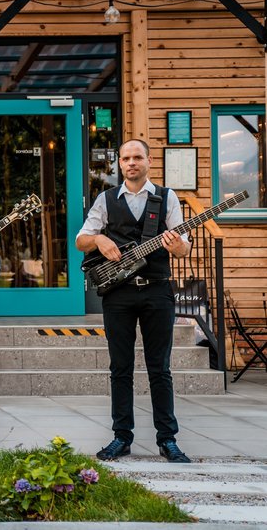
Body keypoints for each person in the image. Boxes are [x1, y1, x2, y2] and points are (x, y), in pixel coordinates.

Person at [76, 139, 192, 463]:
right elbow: (80, 240)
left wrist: (175, 246)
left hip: (157, 289)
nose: (131, 163)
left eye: (137, 157)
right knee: (120, 367)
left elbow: (185, 247)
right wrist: (99, 238)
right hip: (118, 294)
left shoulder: (166, 198)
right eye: (125, 158)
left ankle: (167, 439)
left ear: (149, 161)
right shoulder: (106, 199)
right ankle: (121, 437)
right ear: (119, 164)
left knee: (160, 368)